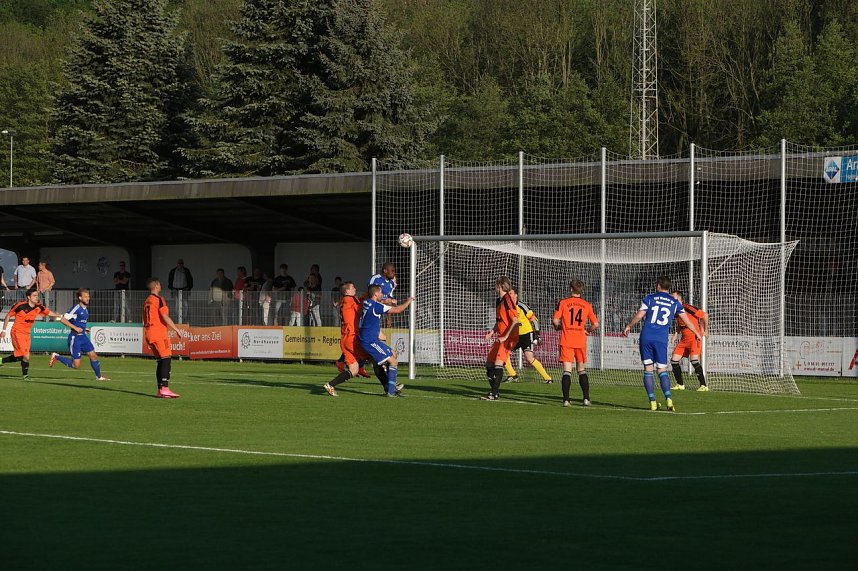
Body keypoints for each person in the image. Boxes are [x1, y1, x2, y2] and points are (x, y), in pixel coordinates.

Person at [623, 275, 701, 412]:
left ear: (658, 285)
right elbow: (687, 320)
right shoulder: (675, 302)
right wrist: (696, 332)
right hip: (661, 339)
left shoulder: (650, 298)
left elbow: (640, 315)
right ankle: (669, 399)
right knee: (662, 370)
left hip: (646, 336)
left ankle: (652, 401)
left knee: (648, 369)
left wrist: (629, 325)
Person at [1, 287, 75, 380]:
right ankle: (25, 376)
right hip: (17, 332)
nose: (37, 297)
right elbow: (8, 316)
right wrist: (4, 331)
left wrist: (60, 315)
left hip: (27, 334)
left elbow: (48, 312)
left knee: (21, 356)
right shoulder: (20, 306)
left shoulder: (39, 307)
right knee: (26, 356)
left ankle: (2, 361)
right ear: (29, 297)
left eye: (37, 295)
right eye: (35, 296)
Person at [323, 281, 379, 396]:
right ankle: (391, 384)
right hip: (351, 338)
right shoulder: (350, 299)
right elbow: (361, 309)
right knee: (374, 356)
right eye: (353, 288)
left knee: (354, 369)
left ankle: (330, 384)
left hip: (344, 339)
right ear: (347, 291)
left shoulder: (344, 301)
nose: (355, 289)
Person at [358, 284, 414, 397]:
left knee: (393, 353)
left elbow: (380, 301)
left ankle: (390, 385)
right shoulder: (376, 306)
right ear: (375, 294)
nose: (382, 294)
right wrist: (408, 301)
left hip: (370, 339)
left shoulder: (366, 302)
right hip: (370, 341)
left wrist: (388, 300)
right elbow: (398, 310)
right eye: (381, 292)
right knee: (394, 362)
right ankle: (391, 391)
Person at [552, 280, 599, 407]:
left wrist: (559, 327)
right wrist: (587, 331)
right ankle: (586, 399)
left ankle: (566, 400)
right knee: (581, 370)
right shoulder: (586, 305)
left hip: (566, 340)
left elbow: (555, 320)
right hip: (580, 341)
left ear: (570, 289)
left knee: (567, 371)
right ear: (581, 290)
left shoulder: (563, 302)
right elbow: (595, 324)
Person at [49, 288, 110, 381]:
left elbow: (77, 321)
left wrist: (85, 328)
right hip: (75, 338)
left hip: (83, 337)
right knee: (76, 365)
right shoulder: (76, 308)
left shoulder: (85, 309)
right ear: (80, 298)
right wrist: (75, 328)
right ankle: (56, 356)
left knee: (93, 356)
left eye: (88, 296)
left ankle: (99, 377)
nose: (88, 298)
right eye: (85, 296)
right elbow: (62, 319)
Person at [143, 278, 183, 398]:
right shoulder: (159, 299)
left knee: (160, 361)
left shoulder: (147, 300)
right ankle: (165, 387)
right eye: (159, 284)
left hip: (149, 332)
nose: (161, 286)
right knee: (166, 359)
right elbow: (164, 316)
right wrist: (176, 329)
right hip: (158, 333)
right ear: (156, 286)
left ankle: (160, 389)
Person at [503, 288, 552, 384]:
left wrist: (537, 334)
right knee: (504, 352)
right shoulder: (507, 306)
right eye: (508, 294)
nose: (509, 295)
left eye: (511, 293)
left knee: (529, 358)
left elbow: (533, 319)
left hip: (526, 334)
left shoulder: (522, 306)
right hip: (515, 335)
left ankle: (548, 378)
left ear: (516, 295)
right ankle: (513, 375)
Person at [482, 276, 519, 401]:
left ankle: (493, 393)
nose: (494, 287)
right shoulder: (499, 300)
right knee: (489, 364)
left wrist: (506, 336)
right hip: (501, 336)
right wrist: (491, 333)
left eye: (496, 284)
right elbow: (499, 321)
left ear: (500, 285)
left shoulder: (508, 299)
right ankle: (495, 391)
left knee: (498, 363)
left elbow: (515, 321)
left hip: (509, 337)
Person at [669, 290, 710, 392]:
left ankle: (703, 385)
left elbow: (705, 315)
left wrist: (706, 330)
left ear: (680, 299)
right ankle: (680, 384)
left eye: (674, 298)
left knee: (694, 360)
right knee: (674, 360)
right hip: (684, 339)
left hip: (694, 337)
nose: (672, 300)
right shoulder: (675, 310)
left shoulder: (687, 307)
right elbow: (681, 324)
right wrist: (675, 335)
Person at [167, 259, 193, 323]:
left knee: (186, 305)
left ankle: (185, 319)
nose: (180, 265)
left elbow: (190, 280)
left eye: (181, 263)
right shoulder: (173, 271)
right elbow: (170, 280)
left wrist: (189, 288)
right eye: (179, 263)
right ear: (177, 264)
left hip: (184, 290)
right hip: (175, 290)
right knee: (176, 306)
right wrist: (171, 288)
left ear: (183, 264)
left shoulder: (186, 271)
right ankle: (178, 319)